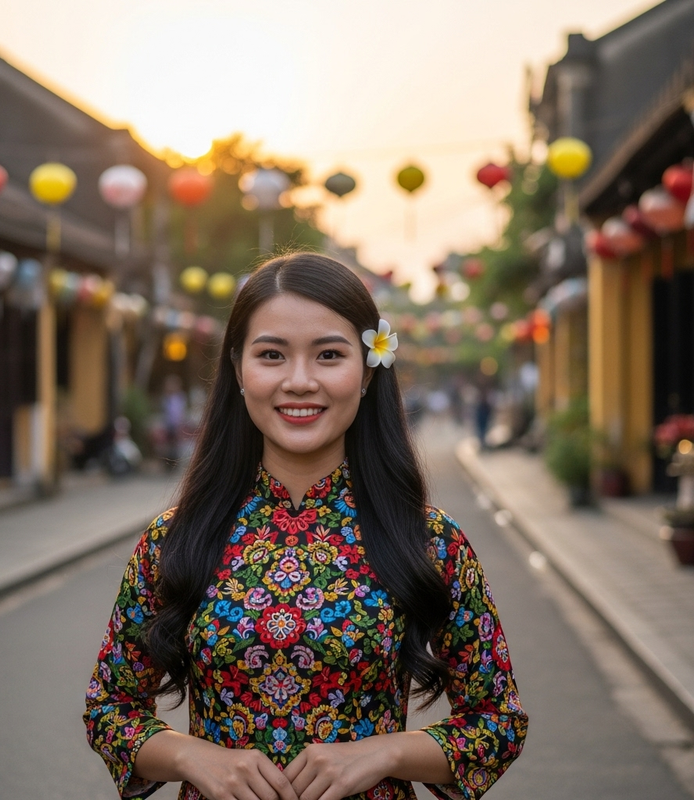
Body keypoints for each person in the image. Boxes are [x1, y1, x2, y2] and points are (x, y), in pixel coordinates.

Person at [84, 253, 527, 800]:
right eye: (271, 354)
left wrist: (387, 751)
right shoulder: (176, 539)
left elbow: (498, 722)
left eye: (328, 355)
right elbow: (110, 709)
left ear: (366, 372)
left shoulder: (431, 541)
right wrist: (190, 755)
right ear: (239, 369)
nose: (299, 381)